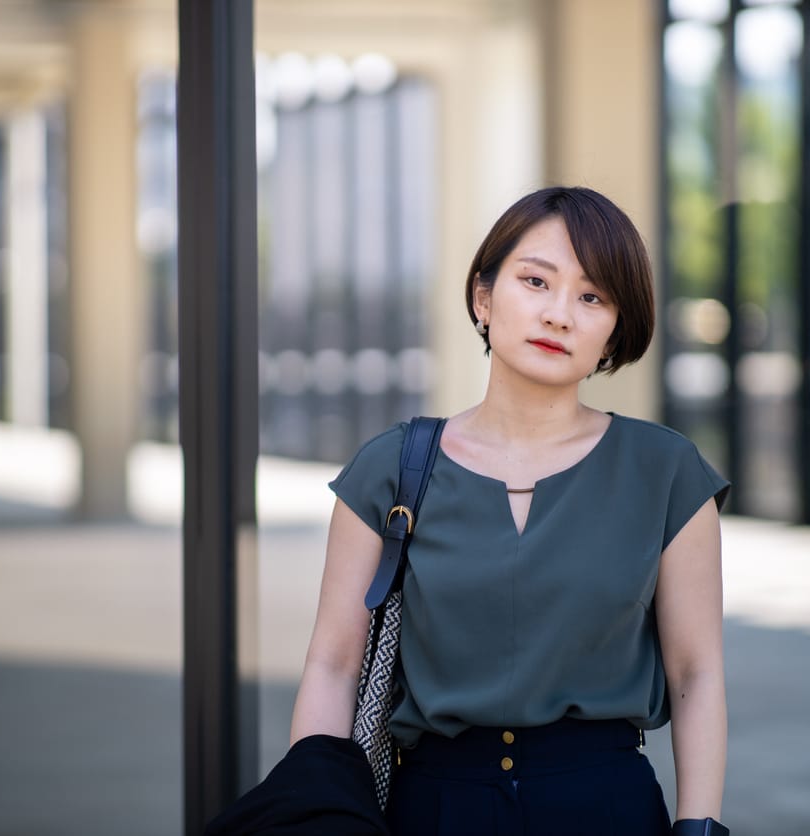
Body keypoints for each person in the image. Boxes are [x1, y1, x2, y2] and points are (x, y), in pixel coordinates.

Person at [290, 186, 731, 835]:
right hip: (434, 807)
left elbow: (696, 672)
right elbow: (333, 664)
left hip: (605, 807)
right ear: (483, 297)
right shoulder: (390, 470)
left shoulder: (666, 472)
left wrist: (699, 830)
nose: (559, 314)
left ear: (616, 329)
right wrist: (313, 819)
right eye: (535, 281)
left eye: (593, 296)